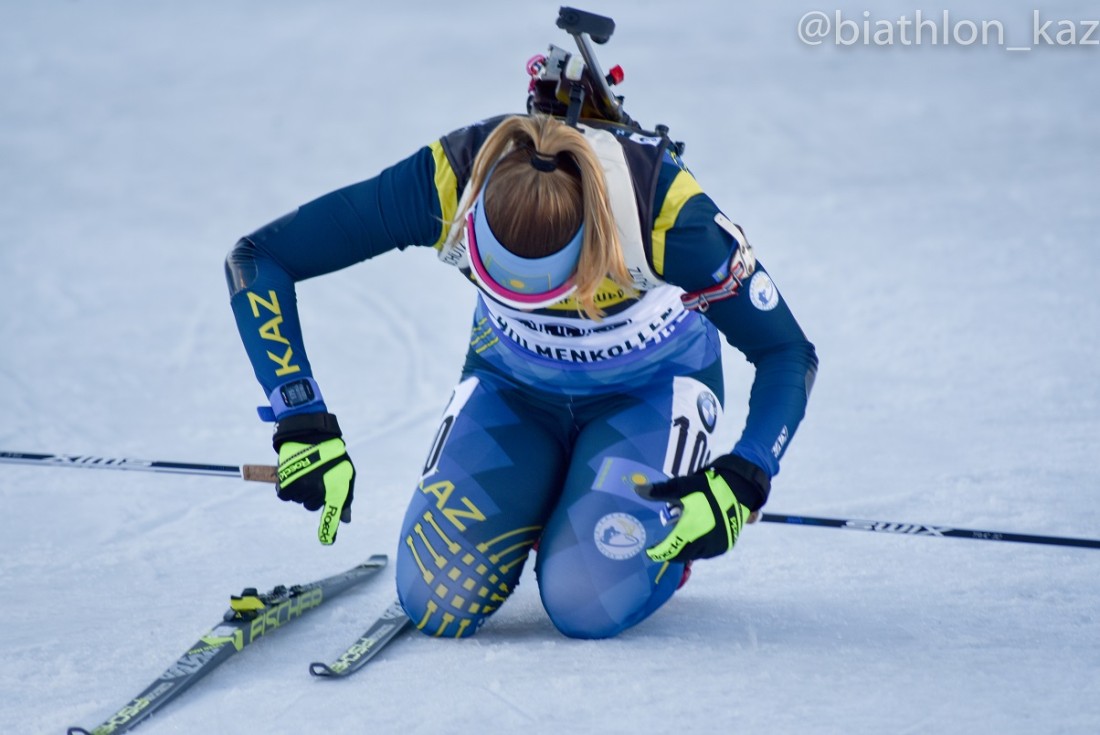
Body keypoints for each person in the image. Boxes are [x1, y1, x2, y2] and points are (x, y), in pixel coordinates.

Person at [225, 94, 817, 640]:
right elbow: (260, 257)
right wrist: (300, 419)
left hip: (651, 393)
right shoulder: (447, 182)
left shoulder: (662, 212)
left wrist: (746, 475)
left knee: (585, 603)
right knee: (434, 601)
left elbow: (786, 351)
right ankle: (542, 497)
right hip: (512, 388)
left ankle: (585, 515)